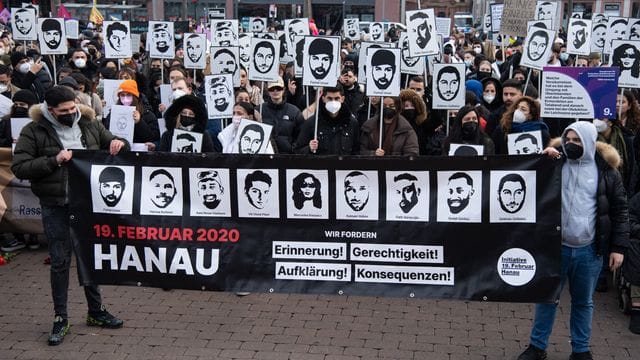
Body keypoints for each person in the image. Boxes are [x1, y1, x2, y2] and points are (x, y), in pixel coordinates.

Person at [11, 85, 128, 346]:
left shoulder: (88, 123)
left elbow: (112, 142)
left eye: (73, 108)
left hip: (86, 204)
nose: (71, 113)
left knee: (90, 258)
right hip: (56, 205)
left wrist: (119, 143)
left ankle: (96, 311)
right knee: (60, 262)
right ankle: (60, 316)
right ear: (50, 110)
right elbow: (20, 167)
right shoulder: (33, 131)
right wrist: (54, 160)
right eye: (64, 111)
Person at [518, 121, 629, 360]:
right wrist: (542, 160)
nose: (571, 144)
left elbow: (620, 210)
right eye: (568, 139)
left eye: (577, 140)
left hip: (589, 250)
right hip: (556, 248)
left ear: (589, 142)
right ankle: (537, 346)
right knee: (547, 298)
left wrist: (619, 247)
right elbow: (528, 183)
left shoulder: (607, 172)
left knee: (583, 302)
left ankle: (580, 349)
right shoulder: (555, 163)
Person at [295, 86, 360, 155]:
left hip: (344, 165)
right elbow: (298, 150)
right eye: (329, 98)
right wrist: (309, 148)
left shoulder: (352, 123)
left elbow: (356, 152)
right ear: (323, 99)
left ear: (342, 99)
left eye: (336, 98)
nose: (333, 102)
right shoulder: (312, 123)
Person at [102, 80, 160, 146]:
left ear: (135, 97)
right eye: (122, 95)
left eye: (129, 95)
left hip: (140, 153)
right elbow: (105, 134)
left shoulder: (147, 114)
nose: (125, 98)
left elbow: (153, 138)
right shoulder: (112, 114)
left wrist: (139, 122)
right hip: (118, 152)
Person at [261, 77, 305, 154]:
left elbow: (301, 135)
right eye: (272, 88)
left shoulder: (295, 111)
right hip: (265, 156)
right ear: (268, 91)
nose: (275, 91)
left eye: (278, 88)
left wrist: (292, 149)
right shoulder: (259, 110)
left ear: (283, 89)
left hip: (287, 157)